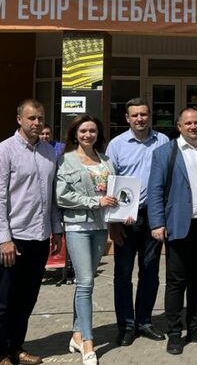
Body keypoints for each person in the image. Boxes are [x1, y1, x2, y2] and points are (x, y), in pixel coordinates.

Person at [147, 107, 197, 355]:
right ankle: (174, 333)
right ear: (179, 126)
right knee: (176, 282)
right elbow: (155, 190)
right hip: (179, 226)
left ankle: (196, 328)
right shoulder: (165, 153)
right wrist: (157, 223)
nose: (193, 127)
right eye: (188, 123)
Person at [0, 99, 63, 365]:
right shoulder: (4, 150)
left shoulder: (49, 152)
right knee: (4, 299)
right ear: (19, 119)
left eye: (40, 118)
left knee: (27, 298)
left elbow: (52, 196)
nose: (37, 123)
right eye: (31, 118)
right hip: (14, 237)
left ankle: (16, 347)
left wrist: (56, 230)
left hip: (40, 236)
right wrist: (4, 239)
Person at [106, 98, 170, 345]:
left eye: (143, 114)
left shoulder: (163, 141)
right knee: (123, 274)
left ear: (150, 115)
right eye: (135, 115)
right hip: (125, 219)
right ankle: (125, 325)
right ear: (127, 118)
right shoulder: (116, 145)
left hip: (153, 216)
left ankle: (144, 321)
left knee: (150, 271)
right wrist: (112, 223)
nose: (140, 119)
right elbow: (109, 183)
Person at [56, 115, 118, 365]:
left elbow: (114, 192)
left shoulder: (106, 160)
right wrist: (95, 202)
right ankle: (88, 343)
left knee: (86, 282)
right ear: (75, 133)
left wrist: (121, 210)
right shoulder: (66, 160)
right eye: (83, 131)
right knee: (85, 283)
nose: (88, 135)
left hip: (101, 227)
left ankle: (76, 334)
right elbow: (62, 196)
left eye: (92, 130)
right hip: (78, 226)